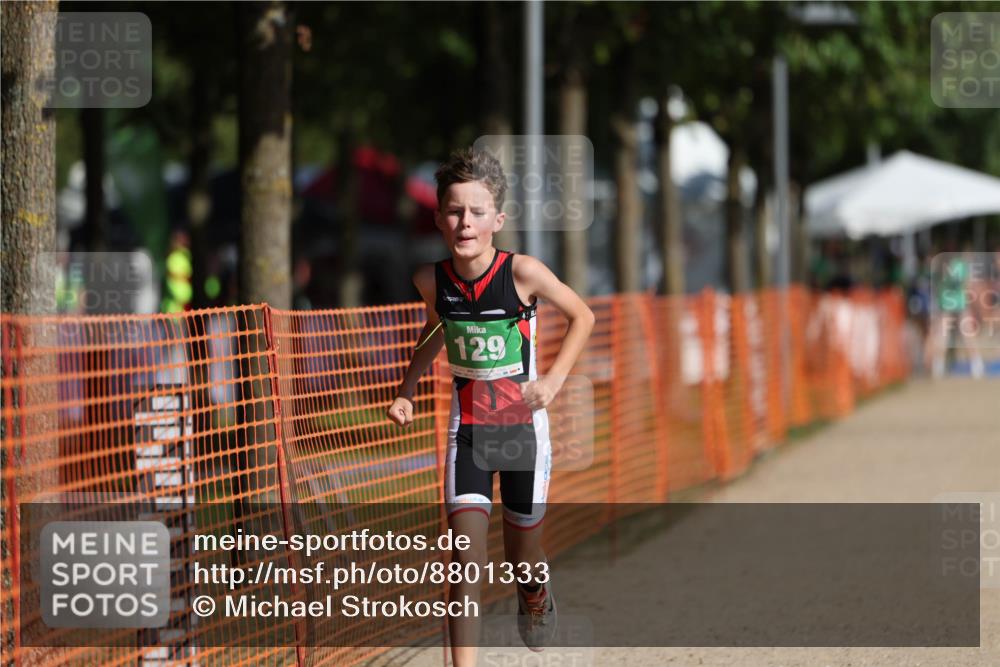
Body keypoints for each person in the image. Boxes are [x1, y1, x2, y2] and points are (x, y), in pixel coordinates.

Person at [386, 148, 594, 664]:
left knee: (523, 558)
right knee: (465, 563)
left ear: (497, 220)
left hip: (521, 430)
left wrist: (552, 381)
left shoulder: (523, 273)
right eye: (455, 211)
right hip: (469, 432)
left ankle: (535, 594)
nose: (465, 222)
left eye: (477, 212)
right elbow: (438, 328)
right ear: (438, 218)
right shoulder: (430, 280)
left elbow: (582, 316)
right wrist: (408, 388)